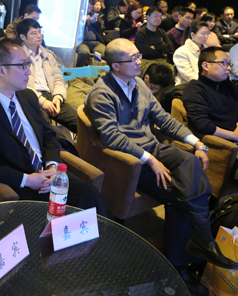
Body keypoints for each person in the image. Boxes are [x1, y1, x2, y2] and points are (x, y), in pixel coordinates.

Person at [85, 38, 238, 291]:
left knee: (191, 161)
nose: (139, 62)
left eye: (138, 55)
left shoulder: (138, 84)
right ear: (115, 66)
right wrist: (149, 159)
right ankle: (183, 262)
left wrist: (197, 143)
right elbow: (111, 137)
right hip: (130, 161)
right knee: (181, 196)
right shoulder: (102, 93)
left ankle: (201, 240)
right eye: (133, 59)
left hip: (153, 148)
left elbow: (164, 120)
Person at [0, 39, 105, 212]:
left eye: (28, 64)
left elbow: (48, 135)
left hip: (48, 174)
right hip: (17, 181)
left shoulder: (28, 96)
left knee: (89, 195)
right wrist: (26, 180)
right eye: (22, 65)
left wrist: (52, 166)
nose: (28, 71)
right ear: (1, 70)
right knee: (42, 215)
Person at [17, 19, 77, 133]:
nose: (39, 35)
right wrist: (42, 101)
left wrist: (58, 97)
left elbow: (59, 79)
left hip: (52, 97)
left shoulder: (48, 55)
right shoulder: (18, 57)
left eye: (40, 31)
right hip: (32, 99)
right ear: (23, 37)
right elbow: (20, 84)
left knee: (82, 123)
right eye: (34, 33)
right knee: (46, 131)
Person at [184, 47, 238, 144]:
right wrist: (234, 136)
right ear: (205, 66)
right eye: (224, 63)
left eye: (230, 64)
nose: (229, 68)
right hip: (225, 142)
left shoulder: (226, 84)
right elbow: (202, 125)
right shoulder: (195, 89)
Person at [173, 21, 210, 85]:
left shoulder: (206, 49)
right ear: (193, 35)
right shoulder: (181, 52)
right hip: (189, 86)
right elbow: (188, 75)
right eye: (203, 33)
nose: (206, 36)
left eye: (207, 33)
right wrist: (207, 82)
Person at [76, 0, 106, 67]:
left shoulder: (93, 15)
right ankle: (78, 68)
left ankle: (95, 69)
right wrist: (83, 21)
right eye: (88, 8)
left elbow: (101, 28)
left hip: (96, 43)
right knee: (84, 52)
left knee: (102, 52)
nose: (89, 10)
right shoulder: (78, 15)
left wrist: (95, 22)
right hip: (83, 42)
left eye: (91, 8)